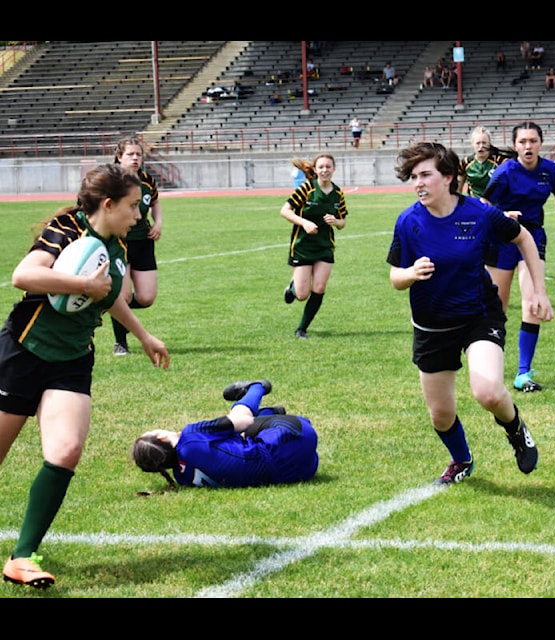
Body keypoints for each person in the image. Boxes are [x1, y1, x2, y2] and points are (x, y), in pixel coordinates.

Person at [0, 163, 170, 589]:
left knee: (67, 449)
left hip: (73, 358)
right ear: (108, 205)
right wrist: (82, 286)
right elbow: (24, 275)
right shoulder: (66, 228)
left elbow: (110, 295)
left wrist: (143, 334)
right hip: (23, 351)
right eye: (132, 207)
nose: (139, 215)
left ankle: (22, 557)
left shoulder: (120, 245)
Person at [387, 141, 553, 484]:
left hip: (478, 317)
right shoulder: (408, 222)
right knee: (441, 416)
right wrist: (410, 274)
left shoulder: (478, 213)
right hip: (431, 327)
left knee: (488, 391)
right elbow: (395, 277)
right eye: (414, 176)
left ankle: (515, 429)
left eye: (425, 174)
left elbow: (524, 238)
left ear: (448, 177)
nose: (418, 182)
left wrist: (538, 291)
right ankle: (462, 460)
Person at [481, 121, 555, 392]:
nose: (528, 146)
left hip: (533, 237)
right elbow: (484, 207)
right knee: (497, 308)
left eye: (533, 141)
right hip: (501, 237)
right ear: (515, 145)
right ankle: (492, 371)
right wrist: (502, 217)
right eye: (523, 141)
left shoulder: (550, 171)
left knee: (533, 303)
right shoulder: (503, 173)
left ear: (540, 143)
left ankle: (523, 375)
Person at [132, 380, 318, 489]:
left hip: (298, 471)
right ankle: (257, 387)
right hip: (293, 436)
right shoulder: (190, 436)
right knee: (238, 417)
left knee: (235, 433)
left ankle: (268, 413)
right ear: (161, 438)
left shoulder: (183, 479)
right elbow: (243, 421)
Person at [280, 154, 349, 339]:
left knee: (319, 288)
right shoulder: (307, 189)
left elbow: (343, 222)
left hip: (325, 246)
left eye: (328, 167)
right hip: (303, 246)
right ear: (316, 170)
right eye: (321, 167)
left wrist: (336, 221)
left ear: (334, 169)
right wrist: (304, 223)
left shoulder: (338, 193)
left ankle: (301, 329)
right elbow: (285, 210)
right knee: (302, 294)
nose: (325, 170)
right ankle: (293, 287)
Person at [111, 137, 163, 356]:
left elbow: (155, 202)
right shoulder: (111, 180)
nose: (135, 158)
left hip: (143, 242)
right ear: (119, 157)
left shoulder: (147, 180)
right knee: (123, 296)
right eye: (130, 154)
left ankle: (111, 308)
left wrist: (158, 222)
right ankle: (120, 342)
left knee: (146, 298)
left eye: (138, 154)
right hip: (118, 243)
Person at [457, 125, 517, 198]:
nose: (481, 146)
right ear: (472, 143)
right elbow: (458, 191)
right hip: (475, 205)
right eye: (478, 143)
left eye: (484, 143)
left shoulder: (500, 161)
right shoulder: (465, 163)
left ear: (489, 144)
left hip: (495, 206)